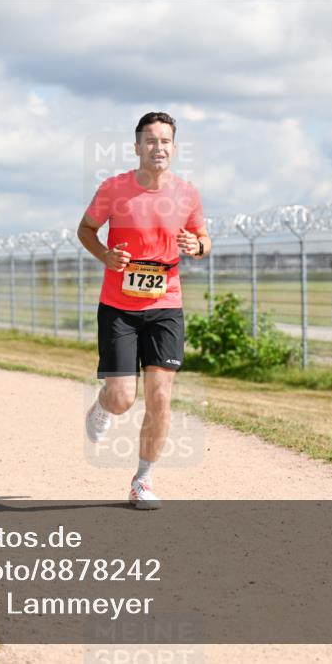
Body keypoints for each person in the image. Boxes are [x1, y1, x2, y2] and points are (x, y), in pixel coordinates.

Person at [77, 111, 211, 510]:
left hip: (166, 304)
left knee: (160, 397)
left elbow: (204, 239)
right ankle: (103, 405)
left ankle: (143, 479)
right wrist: (105, 255)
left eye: (165, 141)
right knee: (122, 398)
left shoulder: (187, 193)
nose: (158, 147)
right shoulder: (114, 188)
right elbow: (85, 230)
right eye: (150, 141)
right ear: (137, 148)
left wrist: (197, 247)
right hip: (118, 306)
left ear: (175, 147)